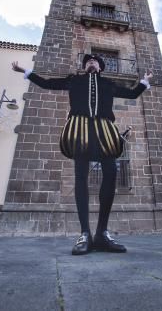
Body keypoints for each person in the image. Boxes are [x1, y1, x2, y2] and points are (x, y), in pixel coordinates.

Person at [12, 54, 152, 255]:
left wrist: (144, 81)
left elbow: (131, 94)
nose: (91, 62)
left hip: (105, 129)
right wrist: (25, 72)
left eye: (94, 61)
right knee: (80, 177)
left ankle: (102, 233)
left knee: (111, 173)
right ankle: (85, 233)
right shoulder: (74, 80)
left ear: (100, 67)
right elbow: (47, 83)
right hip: (79, 129)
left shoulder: (108, 84)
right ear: (85, 66)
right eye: (88, 61)